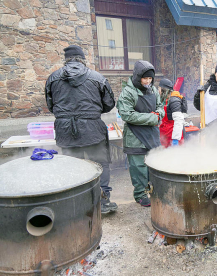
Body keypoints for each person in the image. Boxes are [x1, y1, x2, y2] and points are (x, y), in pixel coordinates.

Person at [45, 45, 117, 214]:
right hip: (93, 130)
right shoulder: (97, 77)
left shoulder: (52, 78)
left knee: (72, 166)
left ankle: (75, 204)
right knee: (100, 164)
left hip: (65, 131)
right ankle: (103, 202)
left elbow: (51, 105)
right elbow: (109, 104)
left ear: (66, 60)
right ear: (82, 59)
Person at [116, 60, 164, 207]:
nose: (148, 81)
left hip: (151, 134)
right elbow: (127, 115)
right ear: (137, 76)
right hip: (134, 135)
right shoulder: (128, 92)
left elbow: (160, 106)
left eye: (150, 79)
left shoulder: (153, 90)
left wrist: (159, 114)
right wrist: (153, 118)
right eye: (145, 78)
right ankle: (140, 194)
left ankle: (154, 189)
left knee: (154, 164)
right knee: (138, 167)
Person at [158, 78, 188, 147]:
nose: (158, 91)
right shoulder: (164, 99)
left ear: (164, 90)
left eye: (159, 88)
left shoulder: (174, 100)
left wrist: (175, 139)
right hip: (164, 136)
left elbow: (178, 120)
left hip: (173, 136)